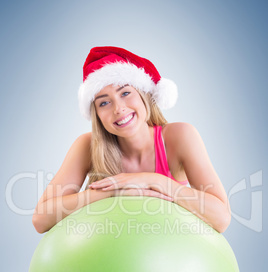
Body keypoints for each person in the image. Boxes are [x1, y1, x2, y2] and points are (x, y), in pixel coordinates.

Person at [32, 46, 231, 234]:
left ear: (143, 95)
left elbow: (221, 219)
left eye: (125, 93)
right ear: (97, 115)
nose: (118, 108)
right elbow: (40, 220)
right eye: (104, 102)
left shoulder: (180, 136)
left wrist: (152, 180)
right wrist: (111, 192)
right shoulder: (87, 146)